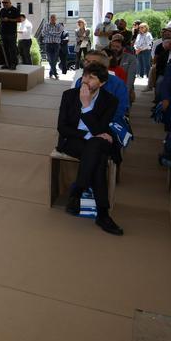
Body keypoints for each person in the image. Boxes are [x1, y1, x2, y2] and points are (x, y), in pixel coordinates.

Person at [56, 63, 123, 236]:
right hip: (73, 140)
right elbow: (62, 128)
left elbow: (99, 128)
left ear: (102, 83)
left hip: (96, 141)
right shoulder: (69, 95)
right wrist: (89, 136)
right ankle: (102, 214)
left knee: (95, 148)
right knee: (98, 157)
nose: (85, 80)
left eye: (91, 77)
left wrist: (86, 106)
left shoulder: (110, 101)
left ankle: (78, 190)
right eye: (85, 75)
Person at [37, 14, 65, 79]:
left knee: (54, 60)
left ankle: (51, 73)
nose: (52, 19)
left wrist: (49, 33)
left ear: (56, 19)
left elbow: (59, 33)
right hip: (48, 44)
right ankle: (55, 74)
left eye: (54, 18)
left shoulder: (59, 25)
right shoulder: (46, 25)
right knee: (50, 59)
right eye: (51, 18)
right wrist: (54, 33)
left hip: (56, 44)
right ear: (49, 19)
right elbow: (44, 33)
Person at [0, 0, 20, 69]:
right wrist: (2, 19)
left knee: (12, 49)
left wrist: (9, 19)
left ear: (10, 3)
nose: (4, 4)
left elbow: (19, 19)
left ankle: (13, 64)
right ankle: (7, 63)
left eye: (6, 3)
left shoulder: (15, 10)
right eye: (3, 3)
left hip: (11, 33)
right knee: (5, 49)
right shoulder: (2, 10)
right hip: (3, 32)